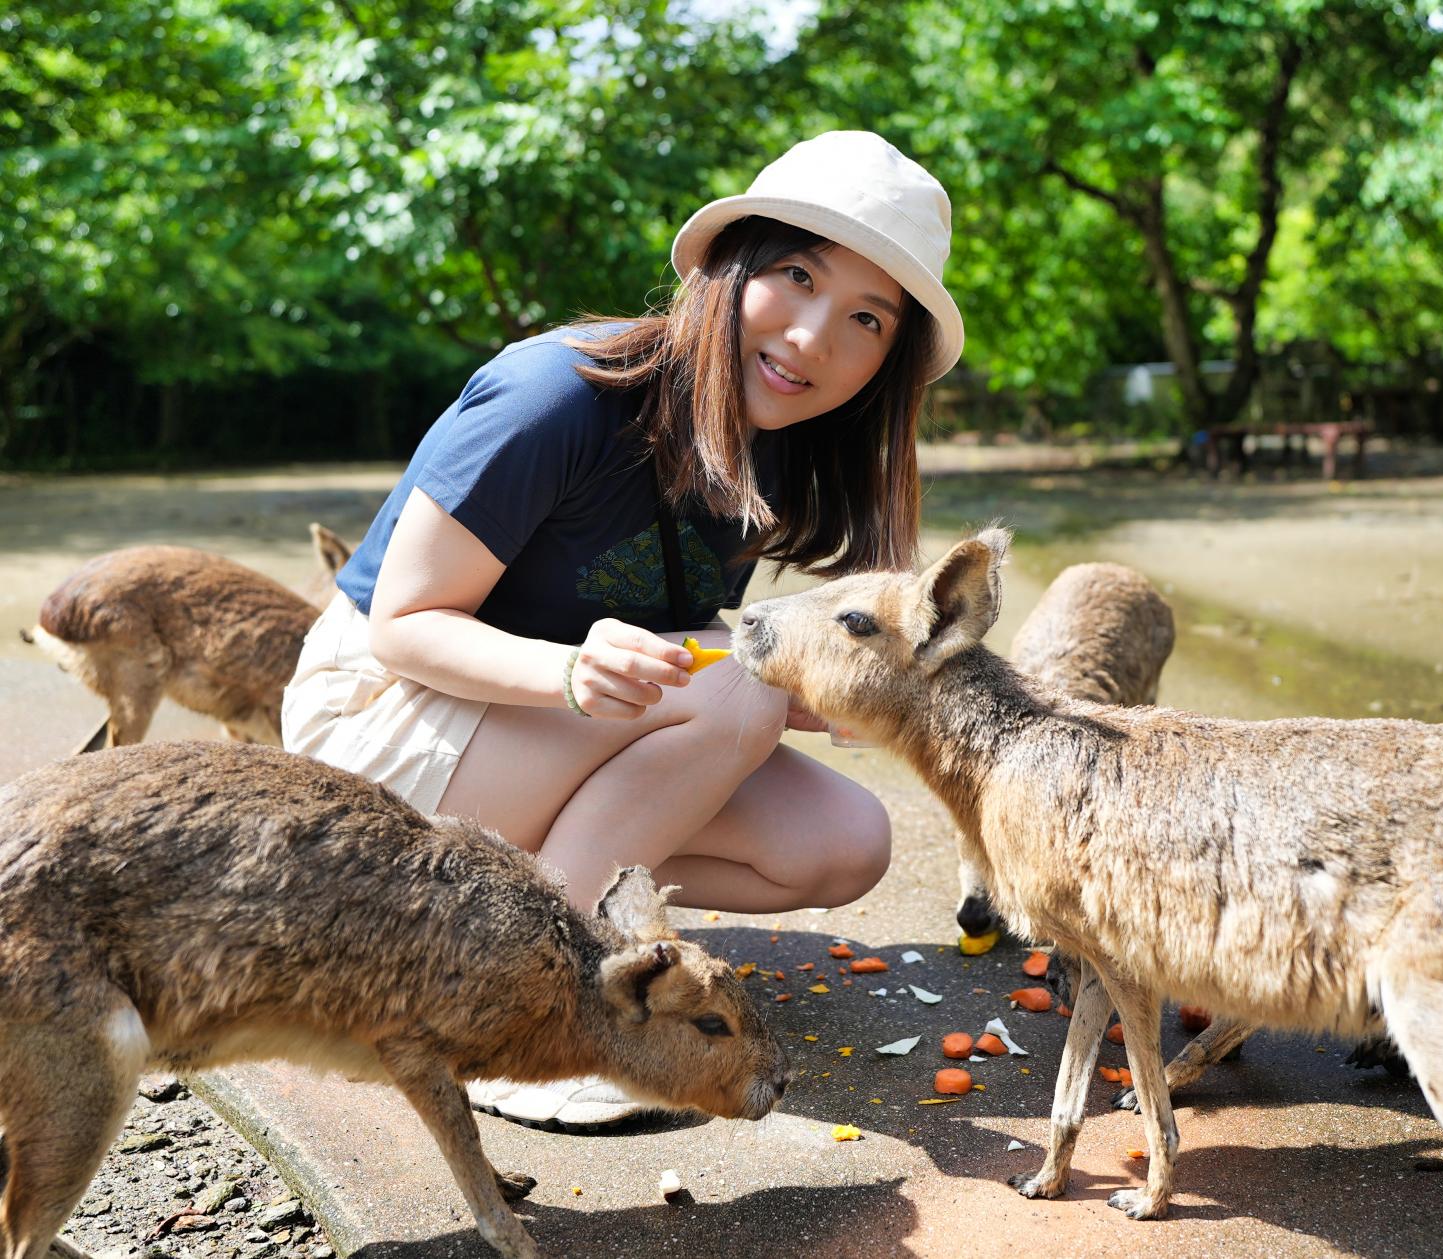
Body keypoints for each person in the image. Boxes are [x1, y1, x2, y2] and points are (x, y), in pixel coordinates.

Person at [281, 130, 965, 1130]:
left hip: (517, 734)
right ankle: (521, 1013)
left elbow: (673, 645)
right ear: (727, 269)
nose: (816, 336)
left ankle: (515, 917)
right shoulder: (557, 393)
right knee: (741, 690)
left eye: (865, 317)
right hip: (373, 736)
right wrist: (568, 670)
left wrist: (837, 702)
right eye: (794, 276)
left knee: (842, 840)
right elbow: (404, 624)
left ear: (888, 359)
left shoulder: (774, 446)